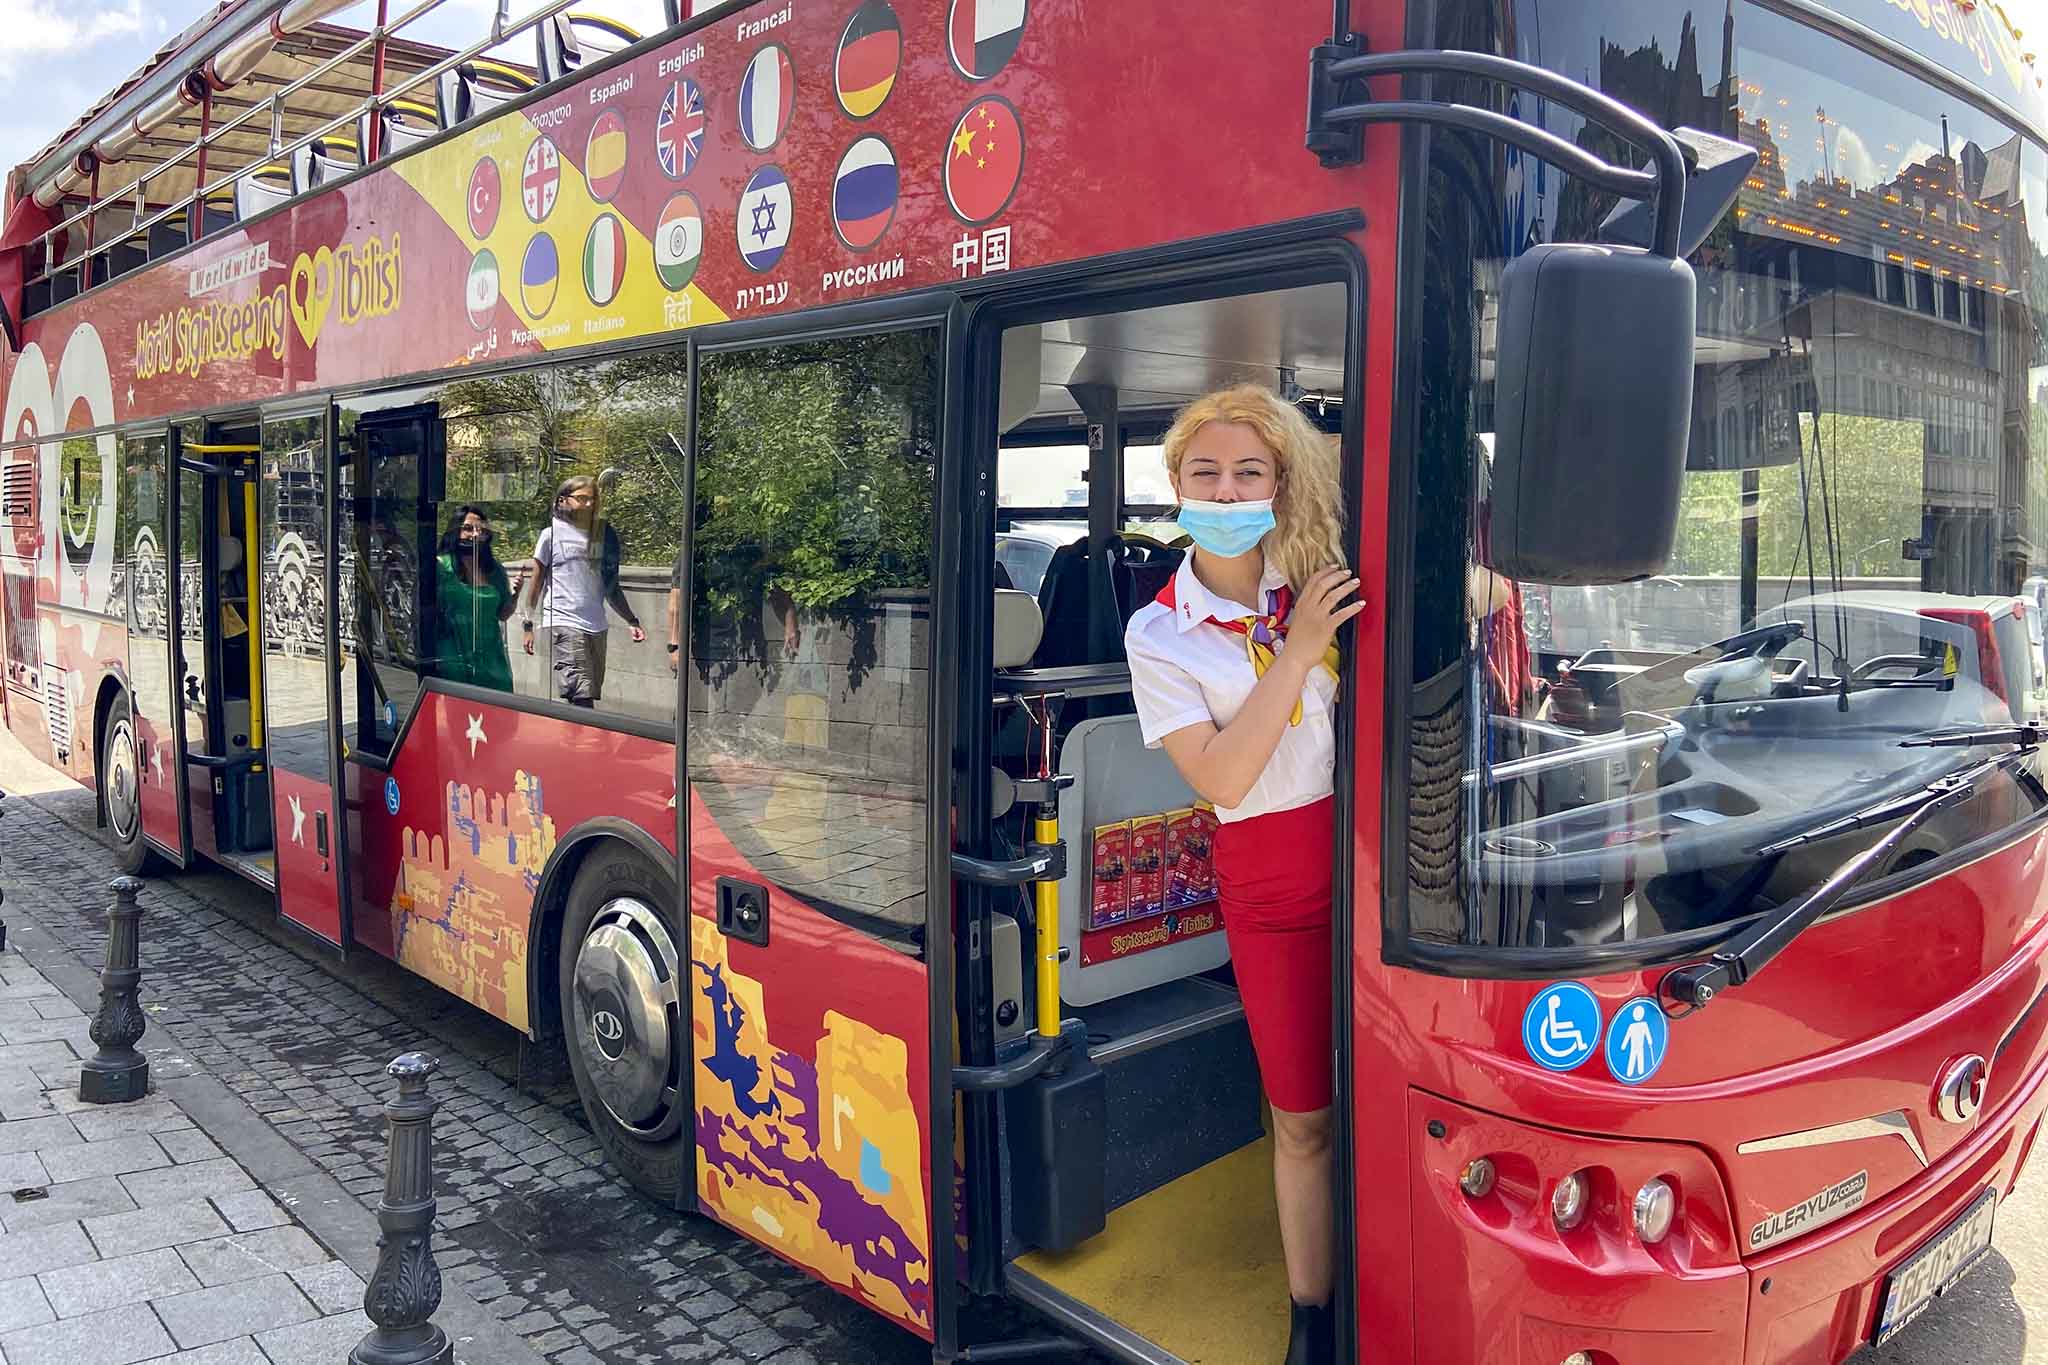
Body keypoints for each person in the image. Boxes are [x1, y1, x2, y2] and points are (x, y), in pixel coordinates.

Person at [1122, 383, 1360, 1365]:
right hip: (1272, 882)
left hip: (1376, 867)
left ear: (1278, 485)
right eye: (1206, 472)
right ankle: (1313, 1317)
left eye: (1248, 472)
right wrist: (1298, 653)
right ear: (1177, 484)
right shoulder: (1158, 633)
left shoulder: (1318, 572)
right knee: (1304, 1118)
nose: (1226, 491)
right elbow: (1221, 776)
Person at [522, 474, 645, 706]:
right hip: (564, 621)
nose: (589, 504)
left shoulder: (600, 536)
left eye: (593, 499)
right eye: (582, 498)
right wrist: (527, 624)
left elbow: (610, 584)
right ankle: (585, 732)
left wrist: (631, 619)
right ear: (563, 500)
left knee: (587, 694)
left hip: (596, 624)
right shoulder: (550, 535)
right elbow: (536, 583)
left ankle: (571, 730)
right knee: (582, 695)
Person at [434, 505, 516, 692]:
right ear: (455, 531)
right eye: (468, 528)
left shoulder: (494, 570)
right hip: (454, 654)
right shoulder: (441, 567)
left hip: (491, 656)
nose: (476, 534)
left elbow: (502, 615)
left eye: (481, 530)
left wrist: (515, 597)